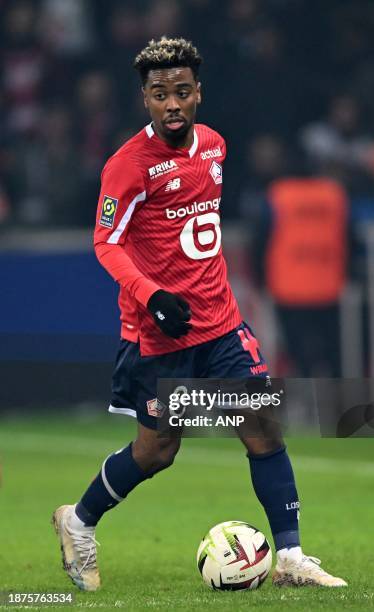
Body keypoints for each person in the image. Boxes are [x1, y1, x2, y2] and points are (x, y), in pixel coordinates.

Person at [52, 37, 347, 592]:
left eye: (181, 92)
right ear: (145, 99)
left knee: (261, 428)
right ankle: (79, 520)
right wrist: (153, 297)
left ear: (197, 95)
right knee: (157, 450)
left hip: (222, 323)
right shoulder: (126, 166)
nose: (172, 104)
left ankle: (290, 556)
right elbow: (106, 242)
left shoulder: (213, 145)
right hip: (157, 335)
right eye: (160, 94)